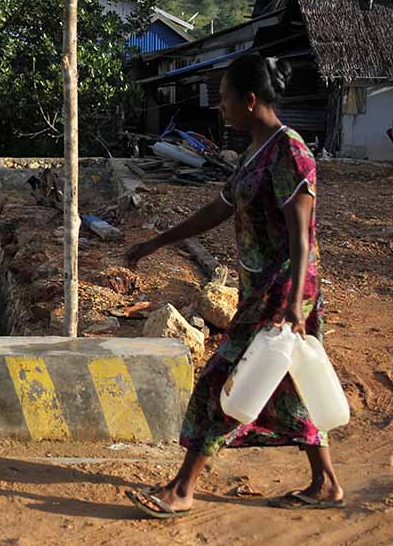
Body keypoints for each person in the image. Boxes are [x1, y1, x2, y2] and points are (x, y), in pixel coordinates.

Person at [124, 54, 343, 518]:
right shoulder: (254, 153)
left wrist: (294, 305)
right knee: (291, 385)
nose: (218, 106)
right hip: (260, 289)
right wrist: (154, 243)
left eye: (224, 98)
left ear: (248, 100)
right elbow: (217, 210)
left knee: (220, 383)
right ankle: (325, 482)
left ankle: (183, 488)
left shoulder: (290, 152)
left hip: (281, 293)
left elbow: (302, 231)